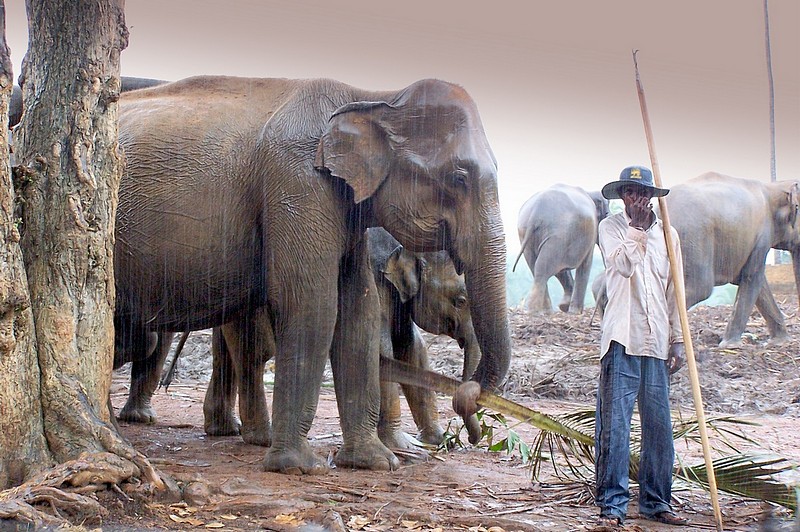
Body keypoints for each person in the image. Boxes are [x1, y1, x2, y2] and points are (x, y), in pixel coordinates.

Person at [594, 165, 687, 528]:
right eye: (630, 192)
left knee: (659, 427)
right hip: (622, 340)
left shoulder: (669, 236)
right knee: (616, 428)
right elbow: (624, 266)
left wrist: (677, 339)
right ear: (622, 197)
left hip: (657, 344)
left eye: (643, 193)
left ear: (651, 197)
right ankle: (612, 507)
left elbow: (673, 292)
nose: (638, 199)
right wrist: (634, 228)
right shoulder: (611, 228)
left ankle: (656, 502)